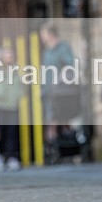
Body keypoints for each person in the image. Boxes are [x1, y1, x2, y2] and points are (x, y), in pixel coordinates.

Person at [39, 23, 80, 161]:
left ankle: (67, 152)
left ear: (50, 34)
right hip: (48, 92)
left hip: (61, 92)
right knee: (51, 121)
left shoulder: (63, 48)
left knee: (63, 121)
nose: (42, 37)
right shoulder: (46, 51)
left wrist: (61, 78)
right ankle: (52, 152)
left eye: (43, 33)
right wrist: (42, 87)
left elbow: (71, 65)